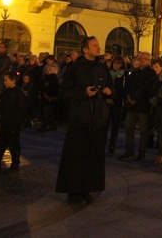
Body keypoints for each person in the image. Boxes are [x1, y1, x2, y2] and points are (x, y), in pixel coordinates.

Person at [55, 36, 113, 204]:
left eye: (98, 44)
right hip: (80, 118)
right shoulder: (75, 68)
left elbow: (110, 86)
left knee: (92, 157)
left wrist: (110, 90)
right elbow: (65, 92)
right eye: (94, 45)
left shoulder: (102, 68)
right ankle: (74, 192)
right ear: (85, 49)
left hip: (97, 119)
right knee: (76, 157)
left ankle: (87, 189)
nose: (98, 47)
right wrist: (83, 92)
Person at [118, 52, 156, 162]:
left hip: (142, 105)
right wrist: (129, 96)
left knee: (143, 130)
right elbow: (128, 85)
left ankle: (142, 152)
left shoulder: (151, 73)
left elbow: (146, 88)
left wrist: (135, 97)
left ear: (149, 61)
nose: (142, 60)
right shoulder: (134, 72)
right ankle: (129, 151)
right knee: (129, 128)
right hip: (132, 105)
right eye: (141, 58)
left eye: (145, 59)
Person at [0, 71, 27, 173]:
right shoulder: (5, 91)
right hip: (5, 121)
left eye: (6, 80)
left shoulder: (18, 93)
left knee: (13, 143)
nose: (4, 82)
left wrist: (15, 120)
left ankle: (15, 164)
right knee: (1, 143)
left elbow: (20, 109)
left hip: (13, 123)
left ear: (13, 81)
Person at [106, 56, 127, 154]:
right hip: (107, 102)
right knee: (104, 125)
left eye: (119, 63)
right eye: (115, 63)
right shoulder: (107, 73)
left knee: (115, 125)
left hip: (118, 102)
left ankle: (112, 146)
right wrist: (108, 98)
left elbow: (124, 89)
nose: (116, 65)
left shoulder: (124, 75)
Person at [37, 63, 60, 132]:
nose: (47, 70)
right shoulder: (46, 78)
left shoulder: (54, 79)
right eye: (47, 69)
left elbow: (55, 88)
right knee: (47, 112)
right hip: (45, 97)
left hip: (51, 97)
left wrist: (51, 96)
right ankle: (51, 125)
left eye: (49, 69)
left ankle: (46, 125)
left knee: (48, 112)